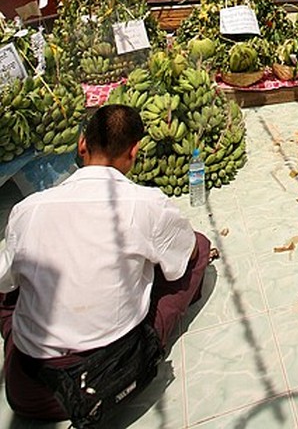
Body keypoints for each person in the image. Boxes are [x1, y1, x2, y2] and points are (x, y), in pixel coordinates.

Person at [0, 104, 213, 421]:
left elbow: (6, 282)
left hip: (27, 391)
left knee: (10, 292)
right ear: (134, 152)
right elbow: (186, 256)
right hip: (108, 380)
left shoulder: (28, 209)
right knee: (197, 248)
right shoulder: (147, 203)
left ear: (81, 144)